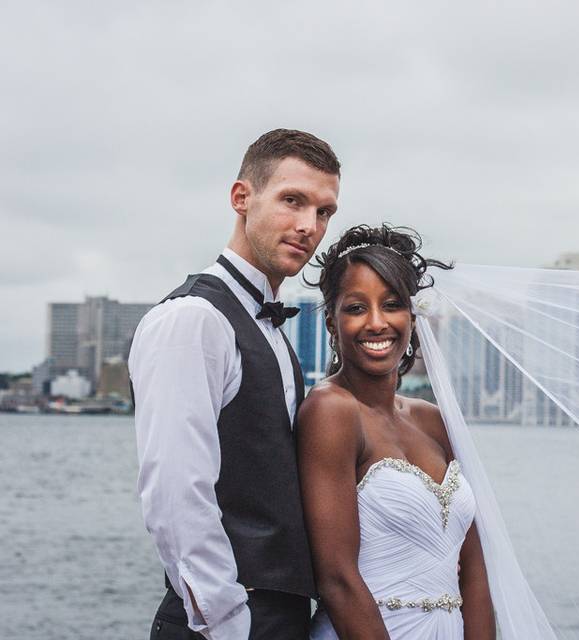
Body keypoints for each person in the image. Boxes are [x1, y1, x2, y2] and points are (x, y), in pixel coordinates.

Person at [128, 128, 341, 640]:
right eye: (292, 201)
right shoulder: (194, 320)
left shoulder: (266, 327)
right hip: (230, 622)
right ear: (241, 198)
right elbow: (177, 496)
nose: (308, 226)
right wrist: (227, 625)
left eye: (324, 212)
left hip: (278, 617)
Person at [298, 224, 497, 639]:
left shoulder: (434, 420)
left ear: (412, 315)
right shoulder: (330, 411)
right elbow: (337, 579)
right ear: (332, 322)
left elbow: (476, 573)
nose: (376, 323)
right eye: (355, 308)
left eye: (391, 304)